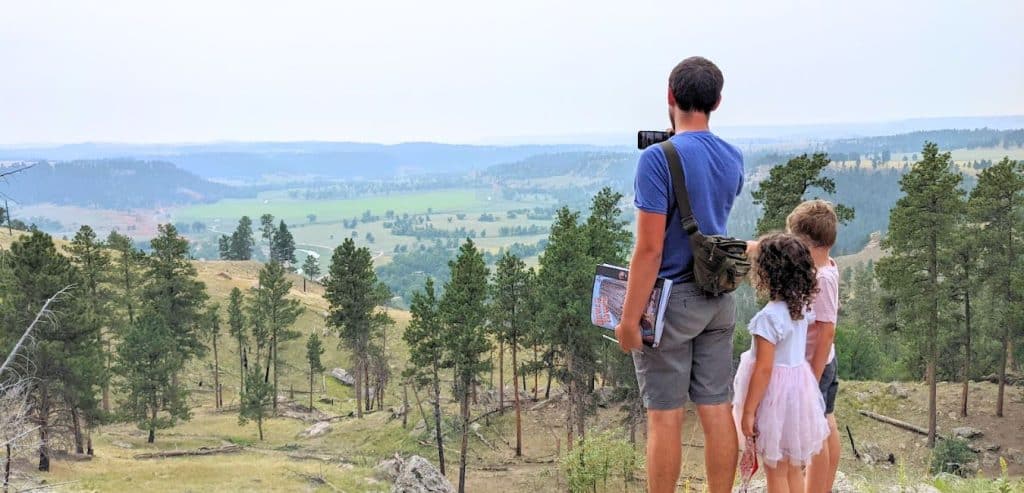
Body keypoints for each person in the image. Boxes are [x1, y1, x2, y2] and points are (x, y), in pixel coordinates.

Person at [615, 56, 745, 493]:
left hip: (671, 302)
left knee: (665, 416)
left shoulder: (656, 159)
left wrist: (630, 320)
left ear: (670, 97)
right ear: (718, 101)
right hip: (718, 297)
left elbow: (650, 250)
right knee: (716, 408)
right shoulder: (732, 156)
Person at [733, 233, 830, 493]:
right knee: (790, 468)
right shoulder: (800, 308)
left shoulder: (768, 318)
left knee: (775, 472)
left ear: (766, 274)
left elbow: (764, 369)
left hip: (773, 399)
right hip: (797, 395)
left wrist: (749, 411)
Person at [787, 200, 842, 492]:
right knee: (825, 420)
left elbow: (826, 330)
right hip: (824, 363)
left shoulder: (820, 279)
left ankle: (816, 488)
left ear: (805, 242)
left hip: (816, 365)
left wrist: (811, 376)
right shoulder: (826, 267)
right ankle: (824, 483)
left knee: (815, 435)